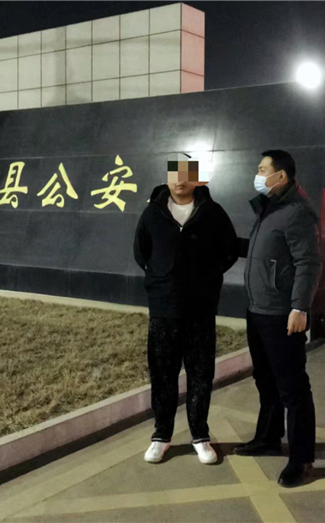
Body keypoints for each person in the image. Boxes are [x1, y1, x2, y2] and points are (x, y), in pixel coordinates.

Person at [133, 153, 239, 465]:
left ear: (196, 178)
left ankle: (200, 436)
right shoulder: (152, 213)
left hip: (200, 309)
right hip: (163, 309)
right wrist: (160, 277)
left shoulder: (212, 213)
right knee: (163, 374)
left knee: (200, 374)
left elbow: (229, 250)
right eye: (174, 173)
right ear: (167, 178)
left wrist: (208, 277)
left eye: (187, 173)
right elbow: (141, 252)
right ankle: (161, 436)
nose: (180, 179)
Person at [234, 149, 321, 488]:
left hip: (282, 314)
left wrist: (299, 307)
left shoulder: (296, 212)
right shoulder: (270, 207)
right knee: (266, 380)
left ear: (280, 176)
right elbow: (266, 251)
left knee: (293, 388)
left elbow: (308, 263)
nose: (257, 175)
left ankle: (301, 458)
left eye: (262, 170)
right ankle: (269, 438)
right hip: (258, 310)